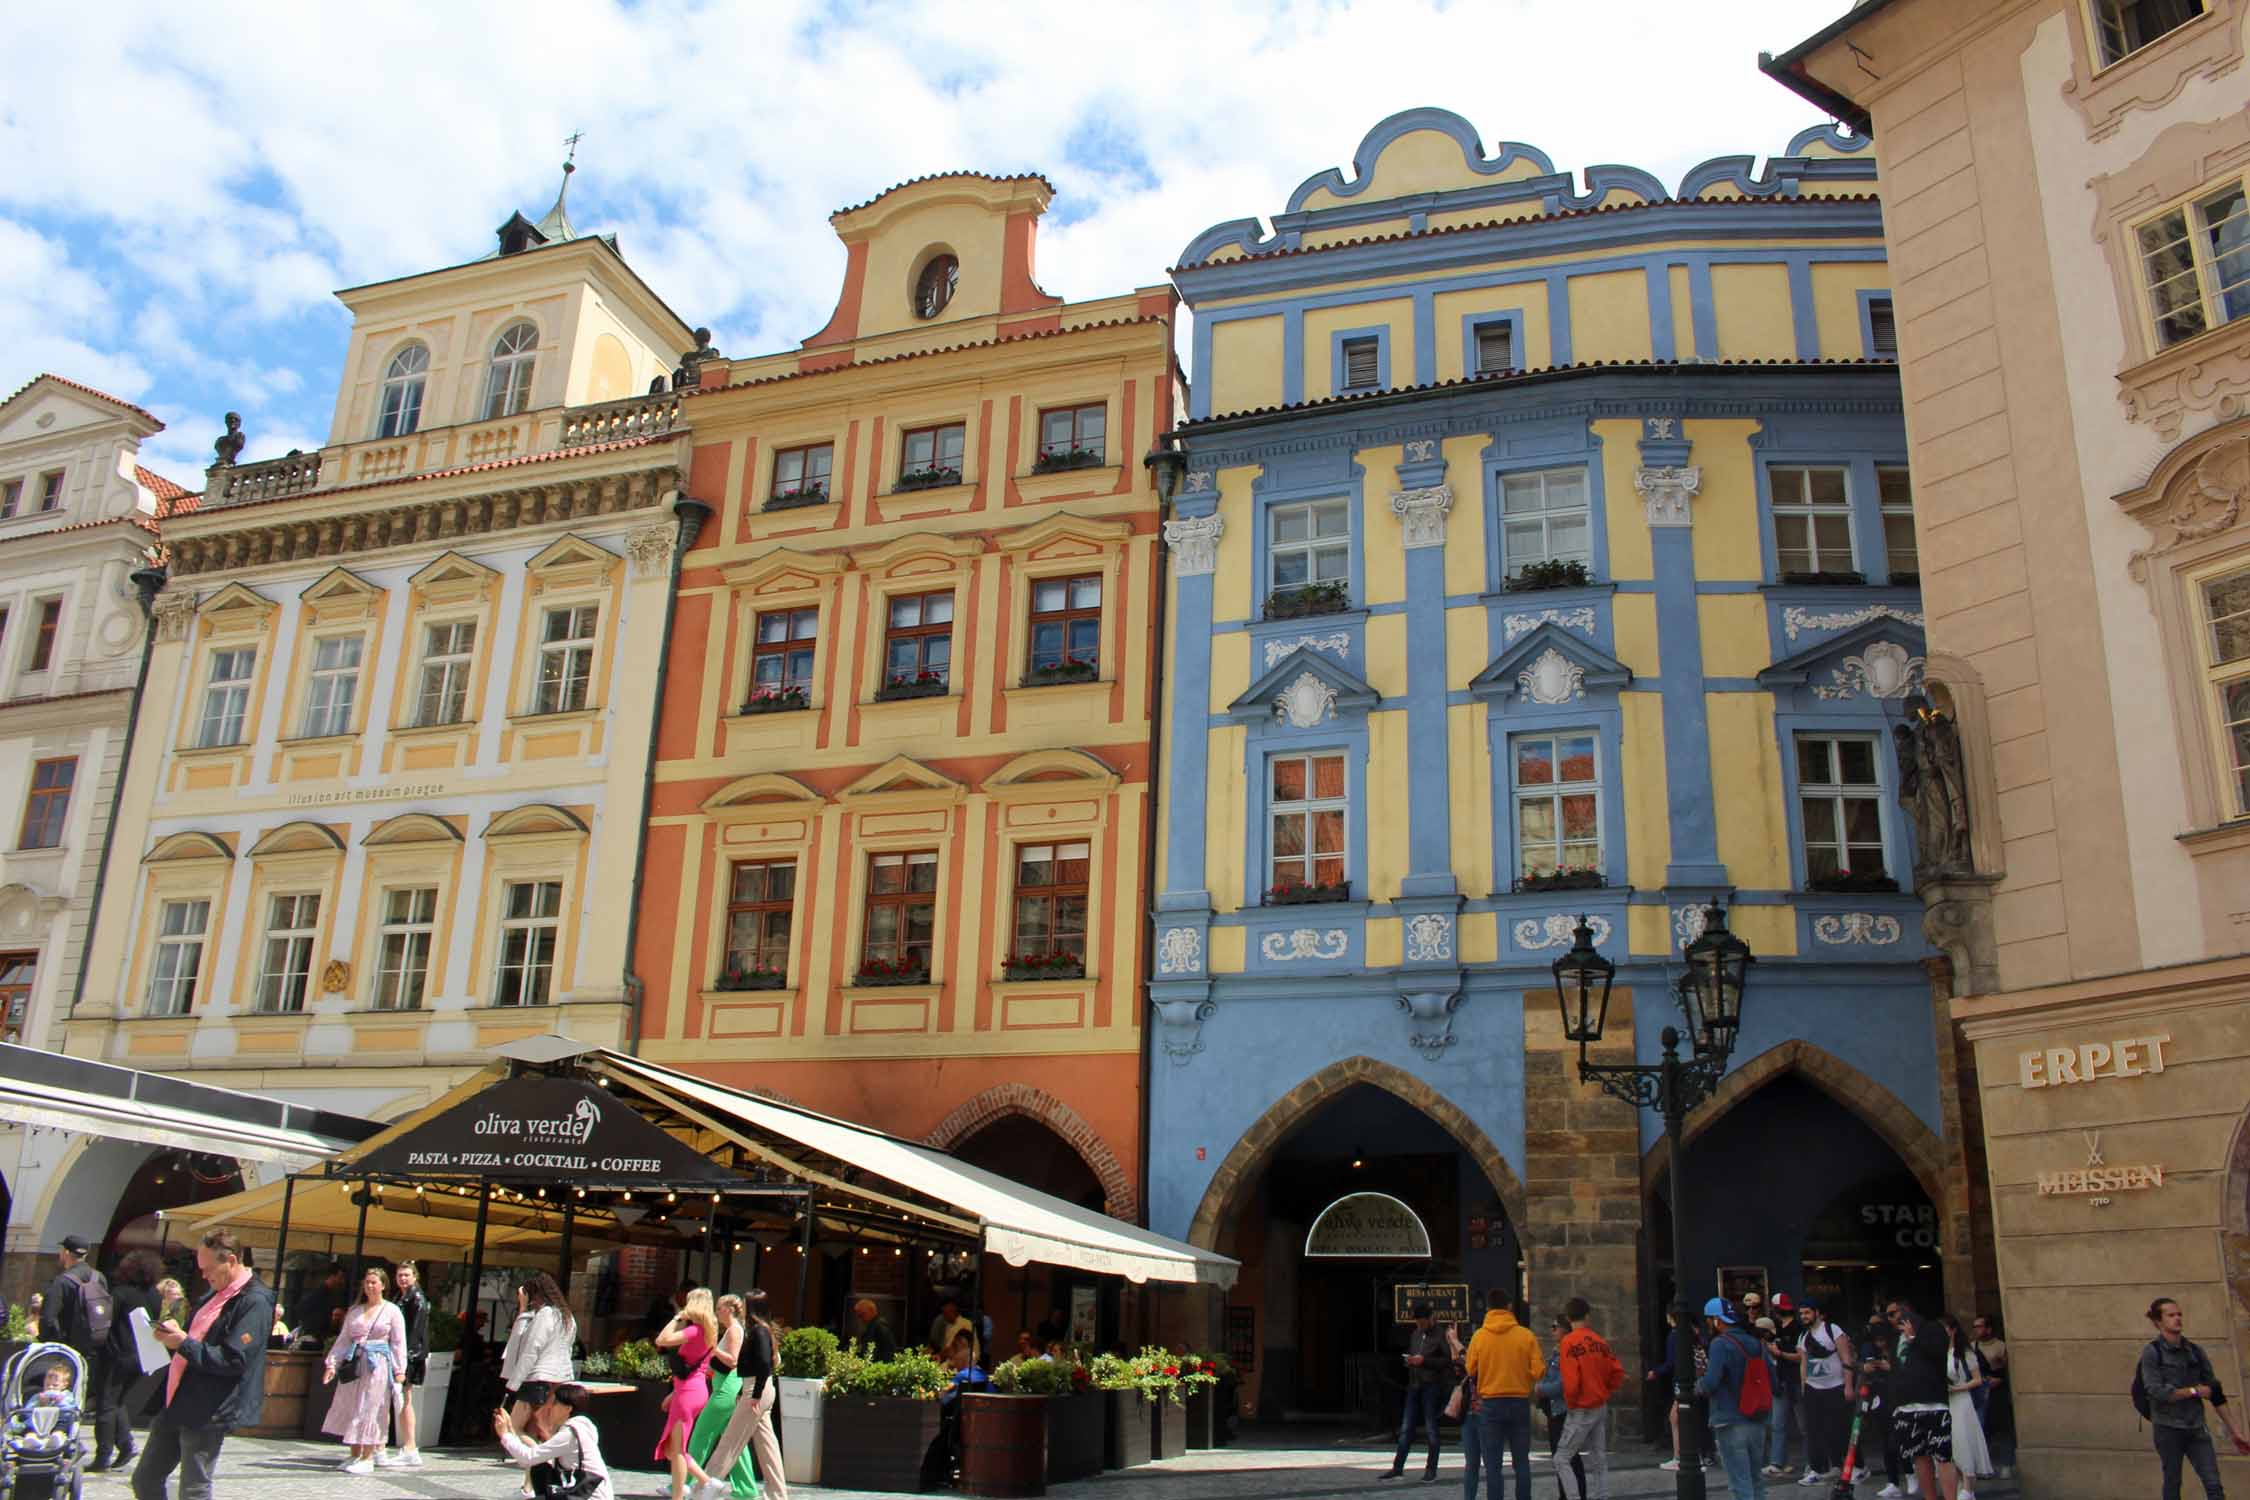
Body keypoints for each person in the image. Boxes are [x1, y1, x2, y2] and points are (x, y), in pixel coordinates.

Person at [132, 1229, 275, 1500]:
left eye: (209, 1268)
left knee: (194, 1488)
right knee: (145, 1479)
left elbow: (234, 1359)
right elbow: (196, 1336)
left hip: (210, 1407)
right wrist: (173, 1333)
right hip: (178, 1399)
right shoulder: (214, 1294)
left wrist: (183, 1343)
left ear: (231, 1261)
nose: (204, 1275)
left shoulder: (254, 1301)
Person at [2140, 1295, 2250, 1500]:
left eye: (2179, 1314)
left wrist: (2236, 1432)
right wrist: (2194, 1391)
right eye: (2171, 1315)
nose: (2177, 1318)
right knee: (2173, 1484)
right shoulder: (2152, 1352)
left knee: (2213, 1484)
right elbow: (2156, 1391)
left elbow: (2215, 1392)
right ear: (2158, 1321)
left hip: (2196, 1428)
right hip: (2168, 1428)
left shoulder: (2195, 1352)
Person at [688, 1290, 784, 1500]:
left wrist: (753, 1394)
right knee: (767, 1446)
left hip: (756, 1390)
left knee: (730, 1441)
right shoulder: (764, 1330)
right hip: (758, 1389)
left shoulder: (758, 1331)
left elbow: (764, 1364)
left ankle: (703, 1490)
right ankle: (777, 1494)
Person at [319, 1266, 406, 1475]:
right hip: (354, 1362)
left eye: (374, 1282)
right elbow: (343, 1340)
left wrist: (399, 1369)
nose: (369, 1286)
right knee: (351, 1406)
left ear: (383, 1285)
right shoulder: (355, 1311)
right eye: (367, 1282)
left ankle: (368, 1456)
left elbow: (398, 1342)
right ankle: (354, 1453)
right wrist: (332, 1364)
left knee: (371, 1407)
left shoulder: (392, 1311)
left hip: (377, 1364)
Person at [1464, 1288, 1540, 1500]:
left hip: (1491, 1404)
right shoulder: (1526, 1336)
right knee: (1522, 1462)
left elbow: (1470, 1369)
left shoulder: (1479, 1336)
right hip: (1519, 1402)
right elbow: (1538, 1370)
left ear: (1488, 1308)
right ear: (1509, 1307)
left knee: (1493, 1465)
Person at [683, 1293, 760, 1499]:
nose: (717, 1312)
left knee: (701, 1436)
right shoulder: (733, 1330)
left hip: (725, 1390)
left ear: (729, 1310)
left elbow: (733, 1361)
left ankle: (686, 1484)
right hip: (727, 1388)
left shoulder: (735, 1330)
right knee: (733, 1442)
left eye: (719, 1308)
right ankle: (746, 1489)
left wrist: (713, 1349)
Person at [1695, 1296, 1772, 1500]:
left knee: (1739, 1482)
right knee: (1756, 1478)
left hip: (1729, 1418)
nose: (1708, 1325)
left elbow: (1711, 1382)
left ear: (1717, 1321)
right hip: (1757, 1417)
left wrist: (1697, 1385)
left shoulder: (1720, 1344)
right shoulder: (1755, 1342)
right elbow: (1772, 1378)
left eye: (1709, 1320)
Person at [1884, 1303, 1959, 1500]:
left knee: (1943, 1456)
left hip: (1933, 1404)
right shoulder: (1895, 1339)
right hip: (1906, 1406)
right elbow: (1895, 1369)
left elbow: (1937, 1352)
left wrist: (1914, 1338)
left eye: (1895, 1314)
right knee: (1919, 1457)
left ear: (1907, 1311)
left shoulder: (1932, 1329)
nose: (1893, 1319)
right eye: (1889, 1316)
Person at [92, 1249, 158, 1473]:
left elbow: (105, 1323)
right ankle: (126, 1445)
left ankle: (103, 1455)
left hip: (118, 1355)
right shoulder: (154, 1295)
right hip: (142, 1356)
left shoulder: (120, 1293)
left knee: (106, 1404)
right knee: (118, 1402)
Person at [1555, 1295, 1624, 1498]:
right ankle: (1602, 1495)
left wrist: (1572, 1402)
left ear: (1568, 1318)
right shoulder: (1600, 1341)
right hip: (1599, 1405)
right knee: (1599, 1458)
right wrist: (1606, 1391)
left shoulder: (1568, 1342)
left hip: (1581, 1407)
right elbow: (1617, 1372)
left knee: (1561, 1458)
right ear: (1587, 1316)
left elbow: (1571, 1381)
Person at [496, 1382, 613, 1500]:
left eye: (555, 1403)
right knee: (540, 1468)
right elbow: (538, 1454)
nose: (550, 1407)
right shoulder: (582, 1428)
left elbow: (528, 1457)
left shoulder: (570, 1434)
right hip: (587, 1492)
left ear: (568, 1409)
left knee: (538, 1466)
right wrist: (510, 1428)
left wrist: (504, 1435)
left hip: (588, 1496)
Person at [502, 1273, 579, 1454]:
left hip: (537, 1378)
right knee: (540, 1427)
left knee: (514, 1428)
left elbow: (530, 1350)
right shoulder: (567, 1317)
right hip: (559, 1378)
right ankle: (534, 1473)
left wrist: (514, 1383)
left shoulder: (545, 1315)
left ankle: (542, 1458)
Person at [655, 1286, 718, 1500]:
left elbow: (661, 1340)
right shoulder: (709, 1332)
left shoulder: (695, 1331)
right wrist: (674, 1394)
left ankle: (679, 1495)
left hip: (688, 1392)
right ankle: (707, 1482)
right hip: (693, 1390)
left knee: (678, 1450)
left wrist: (676, 1317)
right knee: (674, 1448)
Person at [1385, 1300, 1453, 1481]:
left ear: (1431, 1319)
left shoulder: (1440, 1336)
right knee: (1406, 1428)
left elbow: (1447, 1361)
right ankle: (1397, 1467)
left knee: (1431, 1427)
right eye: (1418, 1322)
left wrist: (1424, 1361)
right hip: (1414, 1385)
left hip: (1432, 1385)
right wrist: (1409, 1361)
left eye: (1422, 1322)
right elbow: (1413, 1352)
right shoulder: (1415, 1334)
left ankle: (1431, 1469)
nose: (1420, 1325)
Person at [1790, 1296, 1852, 1487]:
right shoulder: (1803, 1336)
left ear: (1817, 1312)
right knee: (1814, 1430)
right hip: (1813, 1389)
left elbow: (1846, 1358)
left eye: (1807, 1312)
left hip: (1835, 1386)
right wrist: (1804, 1387)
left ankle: (1844, 1465)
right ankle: (1817, 1469)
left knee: (1837, 1428)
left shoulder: (1832, 1330)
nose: (1803, 1316)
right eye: (1801, 1313)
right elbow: (1803, 1363)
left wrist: (1848, 1385)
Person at [1533, 1313, 1585, 1499]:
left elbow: (1563, 1384)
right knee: (1564, 1457)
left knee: (1565, 1458)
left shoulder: (1566, 1351)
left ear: (1564, 1329)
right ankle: (1567, 1493)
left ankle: (1571, 1495)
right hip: (1556, 1410)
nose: (1551, 1330)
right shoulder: (1559, 1350)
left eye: (1555, 1327)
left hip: (1563, 1409)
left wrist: (1542, 1389)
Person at [1939, 1314, 1990, 1499]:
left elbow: (1977, 1380)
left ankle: (1968, 1487)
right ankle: (1962, 1484)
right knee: (1952, 1443)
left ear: (1952, 1330)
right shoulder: (1940, 1352)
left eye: (1945, 1329)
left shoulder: (1964, 1352)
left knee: (1964, 1440)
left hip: (1962, 1400)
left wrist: (1958, 1387)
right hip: (1947, 1402)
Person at [44, 1234, 111, 1369]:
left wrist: (52, 1342)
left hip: (65, 1352)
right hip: (92, 1350)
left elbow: (48, 1319)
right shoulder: (99, 1277)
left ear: (66, 1253)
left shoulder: (62, 1281)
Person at [388, 1260, 429, 1468]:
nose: (403, 1279)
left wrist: (405, 1359)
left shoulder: (416, 1298)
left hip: (409, 1356)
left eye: (406, 1275)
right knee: (403, 1401)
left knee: (405, 1400)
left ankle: (411, 1447)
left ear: (414, 1277)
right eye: (400, 1275)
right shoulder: (402, 1297)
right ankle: (408, 1447)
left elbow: (414, 1331)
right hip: (404, 1354)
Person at [1969, 1313, 2011, 1479]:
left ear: (1988, 1328)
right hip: (1980, 1391)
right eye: (1974, 1326)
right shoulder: (1972, 1347)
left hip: (1998, 1390)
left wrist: (1999, 1379)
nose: (1976, 1330)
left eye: (1979, 1326)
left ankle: (2006, 1464)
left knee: (2003, 1427)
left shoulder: (2000, 1346)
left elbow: (2007, 1369)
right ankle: (1984, 1466)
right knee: (1981, 1428)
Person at [1764, 1296, 1802, 1479]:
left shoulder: (1798, 1328)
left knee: (1804, 1425)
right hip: (1781, 1380)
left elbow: (1800, 1355)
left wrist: (1780, 1353)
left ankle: (1815, 1463)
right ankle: (1777, 1462)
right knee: (1777, 1423)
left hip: (1795, 1380)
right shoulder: (1777, 1328)